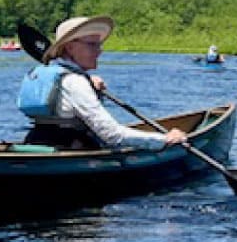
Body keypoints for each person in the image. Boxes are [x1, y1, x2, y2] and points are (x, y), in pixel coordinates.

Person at [18, 15, 188, 150]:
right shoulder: (74, 82)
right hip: (71, 147)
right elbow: (111, 135)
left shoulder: (51, 74)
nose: (99, 51)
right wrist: (164, 139)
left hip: (35, 142)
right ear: (70, 48)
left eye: (99, 45)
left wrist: (89, 83)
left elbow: (65, 100)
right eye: (92, 45)